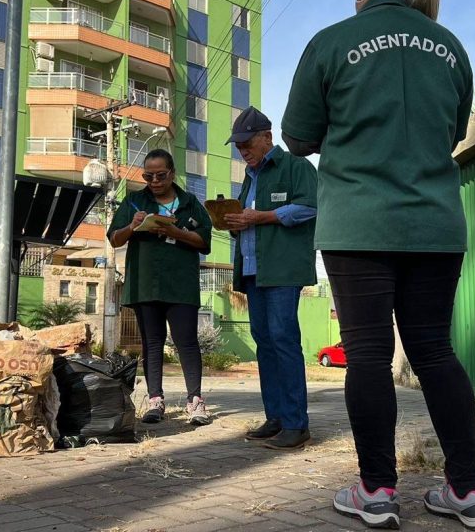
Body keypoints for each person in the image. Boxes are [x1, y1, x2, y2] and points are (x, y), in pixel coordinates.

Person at [281, 0, 475, 530]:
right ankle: (469, 491)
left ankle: (376, 490)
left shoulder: (330, 42)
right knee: (434, 351)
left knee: (370, 355)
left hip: (359, 222)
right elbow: (450, 134)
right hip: (434, 222)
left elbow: (298, 138)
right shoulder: (449, 47)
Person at [222, 106, 318, 450]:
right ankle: (276, 417)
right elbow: (251, 223)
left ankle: (296, 423)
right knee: (265, 344)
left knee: (283, 340)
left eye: (248, 143)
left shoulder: (296, 167)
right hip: (251, 272)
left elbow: (310, 207)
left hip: (281, 270)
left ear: (267, 137)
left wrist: (262, 216)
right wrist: (236, 223)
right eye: (238, 146)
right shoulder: (249, 178)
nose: (243, 150)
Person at [107, 149, 213, 426]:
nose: (154, 181)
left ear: (172, 173)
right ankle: (155, 400)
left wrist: (176, 233)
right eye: (148, 175)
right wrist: (133, 226)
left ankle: (196, 402)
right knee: (151, 342)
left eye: (160, 175)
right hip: (146, 283)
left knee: (186, 342)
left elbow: (204, 241)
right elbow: (115, 239)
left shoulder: (190, 203)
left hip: (181, 284)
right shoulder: (134, 201)